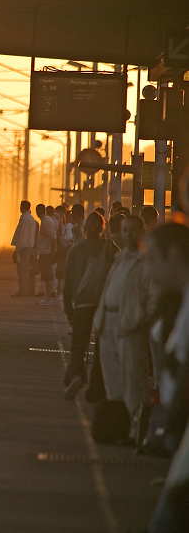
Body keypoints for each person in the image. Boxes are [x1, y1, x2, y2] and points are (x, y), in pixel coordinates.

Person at [91, 215, 154, 441]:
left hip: (129, 323)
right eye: (124, 230)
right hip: (108, 321)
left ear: (141, 233)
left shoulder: (145, 262)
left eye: (132, 230)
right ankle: (119, 426)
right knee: (112, 378)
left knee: (132, 379)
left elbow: (151, 297)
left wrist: (140, 317)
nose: (127, 234)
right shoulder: (119, 258)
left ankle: (135, 431)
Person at [144, 223, 189, 532]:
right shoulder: (178, 303)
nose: (147, 270)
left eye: (151, 259)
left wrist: (172, 425)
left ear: (172, 255)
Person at [62, 212, 117, 399]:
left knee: (78, 345)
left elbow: (67, 280)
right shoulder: (110, 248)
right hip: (104, 303)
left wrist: (68, 308)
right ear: (103, 227)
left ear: (85, 228)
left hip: (82, 302)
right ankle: (96, 388)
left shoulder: (77, 250)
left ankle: (76, 376)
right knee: (101, 347)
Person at [10, 200, 38, 297]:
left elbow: (23, 236)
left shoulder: (24, 219)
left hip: (23, 248)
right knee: (26, 271)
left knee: (22, 271)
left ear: (22, 207)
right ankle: (26, 291)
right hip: (29, 247)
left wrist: (17, 250)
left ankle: (22, 291)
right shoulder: (31, 219)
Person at [36, 205, 58, 305]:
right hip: (45, 252)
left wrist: (52, 253)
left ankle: (48, 299)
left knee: (47, 276)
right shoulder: (47, 220)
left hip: (46, 253)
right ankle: (46, 297)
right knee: (45, 276)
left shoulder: (46, 222)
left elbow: (53, 238)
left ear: (40, 211)